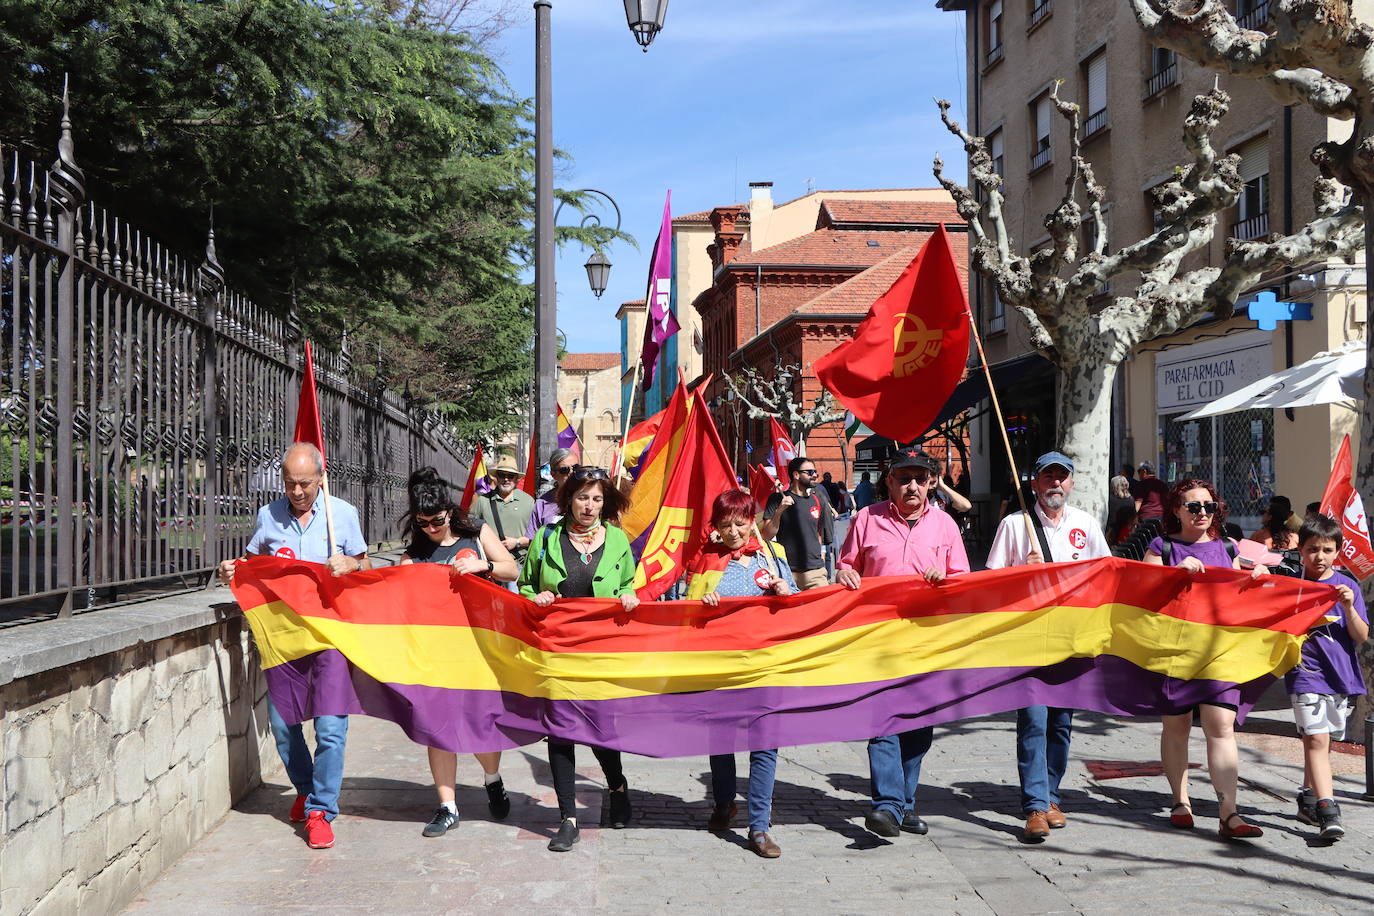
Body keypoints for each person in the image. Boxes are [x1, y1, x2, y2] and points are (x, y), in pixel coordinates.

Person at [217, 442, 369, 850]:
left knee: (331, 728)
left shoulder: (343, 515)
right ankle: (304, 788)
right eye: (289, 483)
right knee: (285, 729)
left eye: (304, 483)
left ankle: (321, 810)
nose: (296, 491)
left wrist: (352, 565)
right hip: (283, 639)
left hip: (330, 638)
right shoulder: (269, 515)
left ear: (321, 477)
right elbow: (251, 564)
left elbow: (367, 567)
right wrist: (232, 570)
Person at [836, 448, 969, 838]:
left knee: (919, 728)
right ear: (889, 481)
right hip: (878, 639)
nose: (912, 485)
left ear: (930, 482)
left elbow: (962, 580)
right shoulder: (866, 518)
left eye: (919, 478)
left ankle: (904, 805)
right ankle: (887, 805)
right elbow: (847, 564)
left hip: (927, 641)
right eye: (903, 478)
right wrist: (844, 574)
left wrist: (944, 580)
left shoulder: (945, 525)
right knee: (883, 723)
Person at [985, 451, 1111, 840]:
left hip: (1071, 638)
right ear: (1035, 482)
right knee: (1034, 719)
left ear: (1071, 483)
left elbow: (1104, 577)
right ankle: (1035, 806)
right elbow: (991, 585)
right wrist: (1022, 572)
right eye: (1047, 477)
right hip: (1029, 639)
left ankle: (1052, 795)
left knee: (1061, 723)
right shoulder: (1013, 525)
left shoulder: (1085, 524)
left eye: (1062, 476)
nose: (1055, 483)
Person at [520, 465, 640, 852]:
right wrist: (534, 596)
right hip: (557, 649)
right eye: (583, 497)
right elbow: (525, 584)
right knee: (560, 731)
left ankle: (617, 786)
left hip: (601, 651)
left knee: (601, 728)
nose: (589, 506)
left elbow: (628, 582)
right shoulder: (547, 536)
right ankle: (568, 817)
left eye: (597, 499)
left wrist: (628, 595)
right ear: (569, 499)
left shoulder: (618, 539)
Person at [397, 468, 520, 838]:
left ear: (450, 511)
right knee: (438, 729)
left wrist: (484, 565)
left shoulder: (476, 532)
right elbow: (402, 601)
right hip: (436, 652)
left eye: (437, 521)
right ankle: (447, 807)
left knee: (481, 724)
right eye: (423, 522)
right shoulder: (414, 553)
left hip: (480, 646)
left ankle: (492, 778)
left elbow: (511, 569)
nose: (431, 528)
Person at [1145, 478, 1265, 840]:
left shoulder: (1228, 546)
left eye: (1208, 506)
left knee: (1222, 728)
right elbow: (1141, 591)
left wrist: (1259, 577)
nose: (1202, 513)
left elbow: (1247, 584)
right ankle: (1181, 801)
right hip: (1174, 651)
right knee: (1177, 727)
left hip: (1221, 652)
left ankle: (1229, 812)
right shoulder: (1161, 546)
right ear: (1176, 510)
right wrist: (1173, 575)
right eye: (1193, 506)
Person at [681, 489, 795, 858]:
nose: (733, 532)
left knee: (765, 746)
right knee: (722, 743)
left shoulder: (773, 555)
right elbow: (682, 609)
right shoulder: (706, 561)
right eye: (725, 524)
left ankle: (760, 826)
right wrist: (702, 604)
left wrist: (784, 591)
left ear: (752, 520)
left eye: (740, 523)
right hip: (721, 668)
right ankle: (724, 803)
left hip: (765, 667)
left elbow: (795, 598)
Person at [1287, 514, 1368, 841]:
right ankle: (1327, 808)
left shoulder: (1348, 586)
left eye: (1326, 550)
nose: (1319, 557)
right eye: (1311, 549)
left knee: (1324, 741)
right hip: (1305, 674)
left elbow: (1361, 635)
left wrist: (1348, 608)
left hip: (1341, 677)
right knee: (1317, 740)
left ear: (1337, 551)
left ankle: (1308, 797)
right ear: (1301, 550)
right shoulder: (1292, 586)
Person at [759, 456, 835, 590]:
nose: (815, 475)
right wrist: (780, 511)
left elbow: (819, 534)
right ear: (796, 475)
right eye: (810, 472)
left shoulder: (818, 499)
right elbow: (766, 535)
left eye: (815, 472)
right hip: (786, 573)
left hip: (815, 572)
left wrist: (821, 558)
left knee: (822, 609)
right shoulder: (777, 499)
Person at [469, 452, 536, 579]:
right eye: (502, 475)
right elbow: (469, 528)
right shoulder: (483, 501)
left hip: (519, 566)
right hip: (490, 568)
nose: (506, 479)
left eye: (510, 476)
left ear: (517, 478)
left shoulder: (528, 501)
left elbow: (537, 537)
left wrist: (517, 542)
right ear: (496, 477)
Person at [523, 447, 578, 540]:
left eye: (576, 468)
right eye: (564, 470)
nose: (571, 473)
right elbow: (533, 540)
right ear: (553, 474)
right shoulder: (542, 504)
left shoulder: (589, 499)